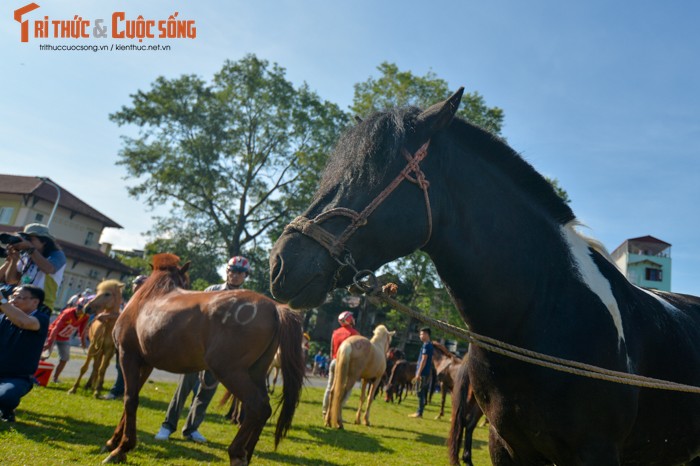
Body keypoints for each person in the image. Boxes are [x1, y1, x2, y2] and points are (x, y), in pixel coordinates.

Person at [155, 256, 250, 444]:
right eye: (232, 270)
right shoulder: (212, 290)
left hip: (221, 352)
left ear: (245, 276)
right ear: (226, 271)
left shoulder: (246, 299)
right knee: (184, 388)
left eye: (240, 272)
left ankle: (191, 429)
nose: (235, 275)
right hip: (197, 347)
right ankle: (167, 426)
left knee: (206, 392)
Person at [0, 285, 50, 422]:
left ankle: (6, 409)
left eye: (19, 297)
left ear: (35, 302)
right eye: (13, 296)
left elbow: (23, 322)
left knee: (5, 396)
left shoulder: (41, 319)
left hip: (17, 377)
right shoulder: (4, 316)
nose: (14, 300)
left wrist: (2, 302)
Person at [101, 275, 148, 400]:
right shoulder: (134, 299)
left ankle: (119, 392)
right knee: (121, 366)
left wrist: (110, 316)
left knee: (126, 367)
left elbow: (129, 317)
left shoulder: (144, 300)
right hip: (127, 338)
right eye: (134, 283)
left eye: (138, 283)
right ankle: (123, 392)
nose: (135, 285)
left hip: (134, 340)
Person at [0, 224, 66, 311]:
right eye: (25, 238)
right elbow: (11, 280)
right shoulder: (26, 255)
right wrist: (14, 260)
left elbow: (49, 269)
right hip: (21, 303)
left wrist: (30, 248)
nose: (27, 242)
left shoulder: (57, 254)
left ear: (44, 241)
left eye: (30, 238)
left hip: (42, 304)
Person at [42, 296, 90, 383]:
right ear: (76, 305)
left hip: (64, 338)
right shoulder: (67, 313)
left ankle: (55, 378)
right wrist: (49, 342)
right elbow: (56, 328)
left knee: (65, 358)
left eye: (82, 309)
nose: (79, 310)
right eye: (79, 307)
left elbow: (82, 330)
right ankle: (34, 374)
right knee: (45, 355)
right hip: (53, 334)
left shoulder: (85, 316)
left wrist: (83, 343)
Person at [321, 310, 359, 418]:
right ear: (349, 320)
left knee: (329, 387)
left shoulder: (335, 332)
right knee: (346, 389)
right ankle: (336, 413)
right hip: (345, 364)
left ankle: (325, 411)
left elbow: (332, 349)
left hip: (334, 361)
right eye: (351, 318)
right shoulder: (355, 334)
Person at [409, 327, 434, 418]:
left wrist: (418, 373)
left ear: (427, 334)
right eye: (420, 334)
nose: (420, 336)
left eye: (422, 334)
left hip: (423, 373)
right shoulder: (428, 345)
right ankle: (420, 411)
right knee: (421, 392)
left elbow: (424, 359)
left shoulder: (426, 345)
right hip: (425, 372)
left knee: (420, 392)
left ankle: (419, 412)